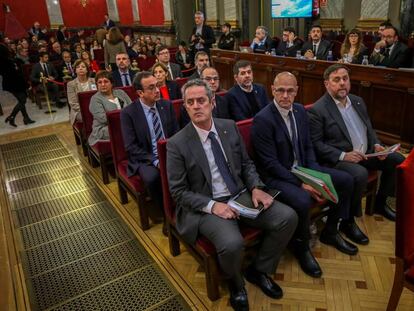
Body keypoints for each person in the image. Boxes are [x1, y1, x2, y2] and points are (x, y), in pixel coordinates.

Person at [167, 79, 298, 310]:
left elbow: (246, 164)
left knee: (287, 217)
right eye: (190, 102)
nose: (197, 106)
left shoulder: (228, 126)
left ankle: (259, 270)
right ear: (185, 107)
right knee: (232, 243)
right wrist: (213, 206)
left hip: (240, 195)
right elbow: (178, 192)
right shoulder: (177, 143)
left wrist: (256, 187)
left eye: (201, 100)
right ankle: (237, 284)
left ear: (212, 102)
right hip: (207, 205)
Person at [251, 72, 359, 278]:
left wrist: (315, 173)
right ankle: (301, 248)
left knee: (346, 180)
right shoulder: (262, 119)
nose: (285, 95)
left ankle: (331, 231)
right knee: (301, 199)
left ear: (296, 91)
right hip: (277, 176)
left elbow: (308, 145)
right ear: (272, 90)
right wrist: (302, 183)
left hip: (303, 169)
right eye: (280, 90)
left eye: (290, 91)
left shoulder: (300, 111)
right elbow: (270, 164)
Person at [308, 64, 405, 226]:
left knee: (397, 159)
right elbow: (316, 145)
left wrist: (376, 145)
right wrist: (344, 155)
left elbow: (369, 129)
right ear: (327, 84)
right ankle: (349, 221)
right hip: (340, 159)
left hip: (366, 153)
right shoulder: (318, 110)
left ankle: (380, 203)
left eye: (345, 79)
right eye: (336, 80)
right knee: (360, 174)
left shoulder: (357, 101)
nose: (342, 83)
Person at [121, 71, 179, 222]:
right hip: (145, 157)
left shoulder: (166, 105)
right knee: (153, 177)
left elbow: (176, 133)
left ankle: (185, 208)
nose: (157, 90)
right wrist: (155, 160)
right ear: (140, 93)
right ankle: (166, 216)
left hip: (170, 152)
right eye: (151, 88)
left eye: (158, 86)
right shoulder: (128, 113)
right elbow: (131, 147)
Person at [88, 70, 132, 146]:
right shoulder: (95, 99)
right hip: (104, 129)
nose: (103, 84)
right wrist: (126, 119)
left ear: (112, 83)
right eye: (100, 82)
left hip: (125, 124)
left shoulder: (121, 93)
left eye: (106, 81)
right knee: (124, 130)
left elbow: (132, 109)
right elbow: (103, 119)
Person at [0, 44, 35, 127]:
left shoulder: (2, 62)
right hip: (16, 84)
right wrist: (27, 85)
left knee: (21, 100)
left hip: (10, 84)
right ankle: (12, 116)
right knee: (23, 100)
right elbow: (17, 75)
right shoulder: (8, 61)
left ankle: (26, 118)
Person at [66, 59, 96, 125]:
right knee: (87, 117)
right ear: (75, 70)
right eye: (78, 67)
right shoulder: (71, 84)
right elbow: (73, 103)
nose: (80, 68)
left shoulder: (94, 81)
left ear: (87, 69)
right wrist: (87, 111)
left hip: (95, 108)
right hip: (79, 111)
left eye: (83, 67)